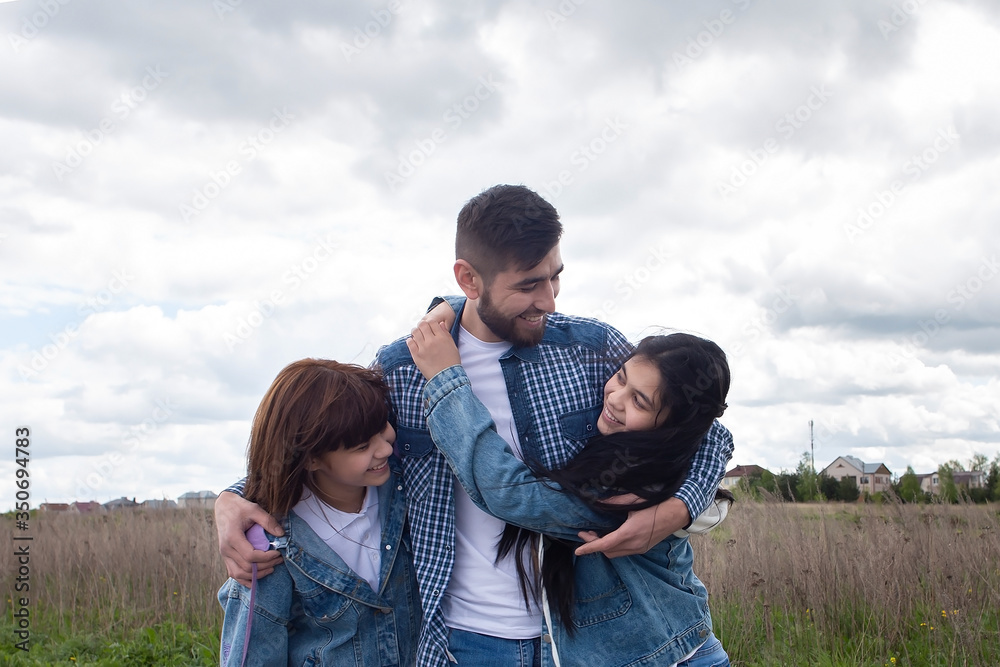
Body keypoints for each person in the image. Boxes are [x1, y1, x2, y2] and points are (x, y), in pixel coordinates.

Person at [214, 184, 734, 666]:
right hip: (469, 640)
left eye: (556, 276)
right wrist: (237, 496)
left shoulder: (593, 349)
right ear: (468, 279)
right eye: (529, 285)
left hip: (599, 636)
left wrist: (677, 507)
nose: (550, 301)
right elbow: (331, 443)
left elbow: (704, 429)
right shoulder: (404, 367)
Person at [407, 324, 733, 666]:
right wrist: (458, 309)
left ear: (674, 426)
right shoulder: (646, 448)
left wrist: (446, 382)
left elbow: (508, 493)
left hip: (671, 657)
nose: (616, 399)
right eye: (621, 377)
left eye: (639, 401)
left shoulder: (639, 488)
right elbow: (714, 430)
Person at [217, 359, 421, 666]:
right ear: (311, 458)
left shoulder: (410, 490)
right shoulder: (271, 541)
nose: (385, 449)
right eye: (362, 446)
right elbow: (255, 652)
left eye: (382, 428)